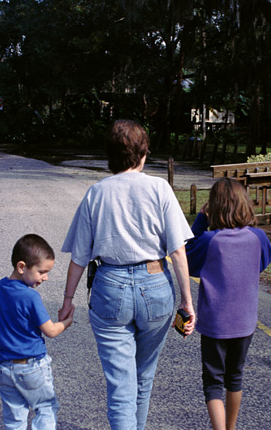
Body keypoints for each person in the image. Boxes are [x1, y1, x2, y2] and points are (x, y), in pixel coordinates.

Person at [59, 119, 196, 430]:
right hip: (156, 285)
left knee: (120, 387)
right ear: (144, 154)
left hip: (110, 288)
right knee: (143, 379)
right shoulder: (160, 188)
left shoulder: (96, 193)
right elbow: (177, 251)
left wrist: (68, 299)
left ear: (109, 157)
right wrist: (188, 303)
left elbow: (80, 257)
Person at [185, 178, 271, 430]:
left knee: (213, 381)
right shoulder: (258, 237)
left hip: (215, 322)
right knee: (235, 377)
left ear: (214, 208)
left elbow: (189, 259)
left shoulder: (210, 240)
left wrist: (202, 220)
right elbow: (264, 261)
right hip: (245, 322)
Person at [0, 234, 75, 430]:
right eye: (41, 272)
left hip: (4, 368)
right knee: (45, 406)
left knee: (14, 419)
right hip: (32, 367)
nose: (45, 278)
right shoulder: (30, 297)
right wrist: (67, 322)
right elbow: (51, 331)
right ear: (22, 267)